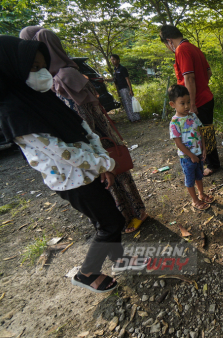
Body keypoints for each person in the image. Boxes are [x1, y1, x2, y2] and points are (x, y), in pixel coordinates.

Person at [0, 36, 148, 293]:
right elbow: (62, 154)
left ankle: (118, 258)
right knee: (110, 222)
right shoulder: (14, 112)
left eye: (42, 66)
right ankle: (87, 273)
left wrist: (104, 164)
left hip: (91, 172)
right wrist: (104, 164)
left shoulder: (43, 99)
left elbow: (83, 128)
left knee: (105, 216)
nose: (42, 73)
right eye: (33, 68)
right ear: (11, 69)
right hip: (71, 180)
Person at [19, 27, 148, 234]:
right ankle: (135, 212)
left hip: (96, 146)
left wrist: (93, 152)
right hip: (102, 142)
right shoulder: (70, 72)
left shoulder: (62, 79)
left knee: (115, 178)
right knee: (118, 176)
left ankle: (132, 214)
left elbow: (81, 120)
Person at [160, 25, 220, 177]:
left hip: (197, 101)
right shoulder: (193, 47)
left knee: (202, 132)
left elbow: (189, 78)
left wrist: (191, 103)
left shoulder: (182, 50)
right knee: (207, 130)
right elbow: (209, 72)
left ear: (169, 41)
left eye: (167, 45)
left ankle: (212, 165)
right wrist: (202, 86)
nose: (169, 48)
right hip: (206, 96)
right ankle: (212, 162)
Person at [169, 84, 215, 210]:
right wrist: (191, 156)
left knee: (199, 175)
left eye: (188, 102)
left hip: (198, 154)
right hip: (187, 157)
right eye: (182, 103)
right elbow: (178, 143)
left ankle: (201, 194)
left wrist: (204, 149)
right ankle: (194, 200)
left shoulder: (193, 116)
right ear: (172, 104)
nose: (187, 106)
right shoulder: (174, 122)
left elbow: (200, 133)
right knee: (190, 179)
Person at [107, 54, 140, 123]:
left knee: (129, 104)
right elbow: (114, 79)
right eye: (111, 60)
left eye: (114, 59)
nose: (113, 61)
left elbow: (127, 79)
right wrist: (105, 79)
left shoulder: (122, 68)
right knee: (125, 104)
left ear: (118, 60)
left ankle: (136, 118)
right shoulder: (115, 69)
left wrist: (130, 90)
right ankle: (131, 118)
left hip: (125, 88)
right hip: (120, 89)